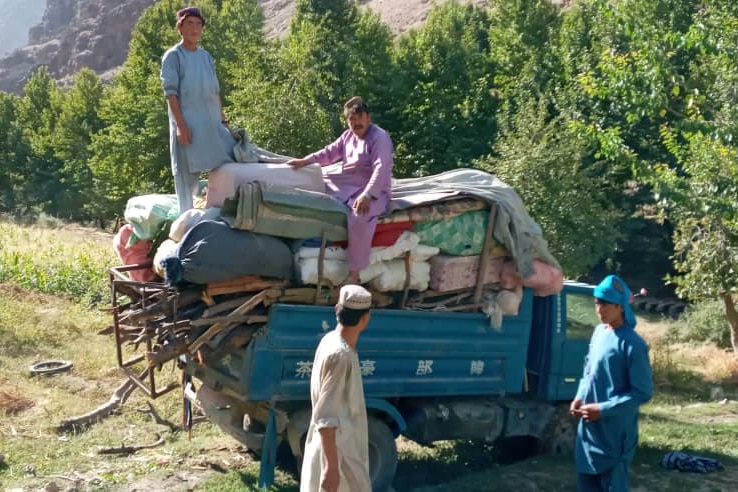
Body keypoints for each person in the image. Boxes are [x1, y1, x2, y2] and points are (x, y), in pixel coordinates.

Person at [287, 97, 394, 285]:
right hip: (348, 182)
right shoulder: (348, 136)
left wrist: (368, 194)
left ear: (368, 117)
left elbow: (381, 167)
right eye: (351, 120)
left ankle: (354, 274)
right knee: (318, 182)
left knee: (359, 215)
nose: (356, 123)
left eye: (359, 118)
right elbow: (329, 153)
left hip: (374, 188)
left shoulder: (379, 137)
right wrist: (304, 161)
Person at [569, 275, 653, 492]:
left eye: (605, 304)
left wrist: (603, 409)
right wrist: (579, 396)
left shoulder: (633, 345)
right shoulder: (598, 333)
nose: (599, 309)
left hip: (615, 433)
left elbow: (642, 393)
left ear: (620, 307)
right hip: (589, 430)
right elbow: (589, 371)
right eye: (597, 303)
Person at [160, 6, 235, 213]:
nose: (194, 28)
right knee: (186, 179)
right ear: (180, 28)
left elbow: (215, 91)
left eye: (198, 24)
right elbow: (170, 93)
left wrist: (223, 121)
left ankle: (222, 214)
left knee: (229, 162)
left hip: (212, 126)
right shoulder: (173, 56)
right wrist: (181, 125)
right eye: (189, 24)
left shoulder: (206, 57)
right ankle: (186, 225)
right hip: (188, 127)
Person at [300, 284, 373, 492]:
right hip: (339, 455)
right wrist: (331, 468)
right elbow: (325, 417)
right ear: (365, 319)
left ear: (336, 310)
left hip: (342, 451)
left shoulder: (331, 341)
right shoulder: (339, 354)